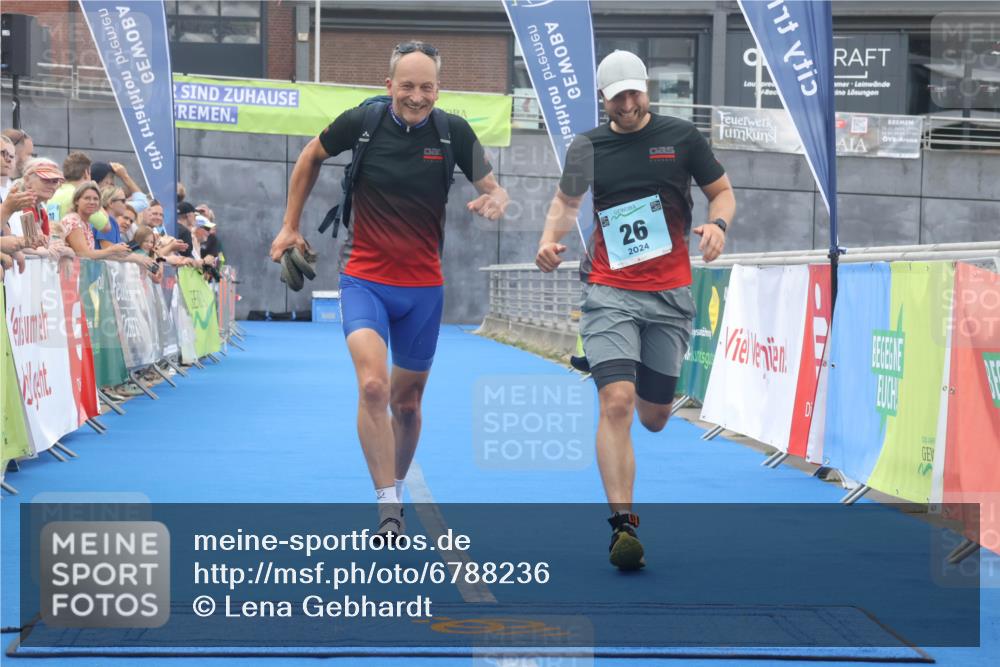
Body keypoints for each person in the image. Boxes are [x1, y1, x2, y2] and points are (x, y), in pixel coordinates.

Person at [269, 40, 509, 540]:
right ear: (389, 86)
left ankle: (396, 484)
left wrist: (497, 198)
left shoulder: (452, 133)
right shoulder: (363, 123)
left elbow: (492, 185)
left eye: (426, 87)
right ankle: (388, 507)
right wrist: (290, 225)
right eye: (407, 86)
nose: (416, 96)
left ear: (438, 90)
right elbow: (310, 155)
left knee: (407, 403)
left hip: (423, 289)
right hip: (365, 280)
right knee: (373, 386)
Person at [535, 50, 736, 571]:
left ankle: (615, 364)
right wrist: (548, 240)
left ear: (648, 91)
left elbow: (722, 192)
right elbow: (566, 203)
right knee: (617, 403)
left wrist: (718, 225)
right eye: (618, 96)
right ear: (603, 99)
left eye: (635, 93)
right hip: (610, 290)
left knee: (654, 417)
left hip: (669, 296)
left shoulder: (683, 138)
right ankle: (623, 527)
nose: (628, 103)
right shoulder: (588, 146)